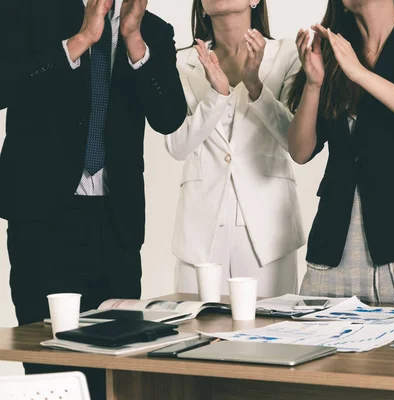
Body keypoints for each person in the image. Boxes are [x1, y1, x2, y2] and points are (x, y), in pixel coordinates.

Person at [0, 0, 187, 397]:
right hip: (42, 221)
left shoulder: (153, 30)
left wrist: (133, 39)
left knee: (114, 375)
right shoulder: (27, 9)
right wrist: (81, 40)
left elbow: (169, 116)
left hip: (115, 226)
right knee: (49, 373)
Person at [287, 0, 394, 305]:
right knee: (323, 346)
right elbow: (301, 151)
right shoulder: (329, 53)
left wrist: (360, 74)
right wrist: (314, 84)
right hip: (335, 243)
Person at [165, 0, 304, 297]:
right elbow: (177, 145)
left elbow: (296, 142)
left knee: (270, 335)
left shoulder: (287, 55)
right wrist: (216, 95)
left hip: (267, 234)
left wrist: (255, 86)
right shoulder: (181, 62)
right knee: (196, 334)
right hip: (200, 233)